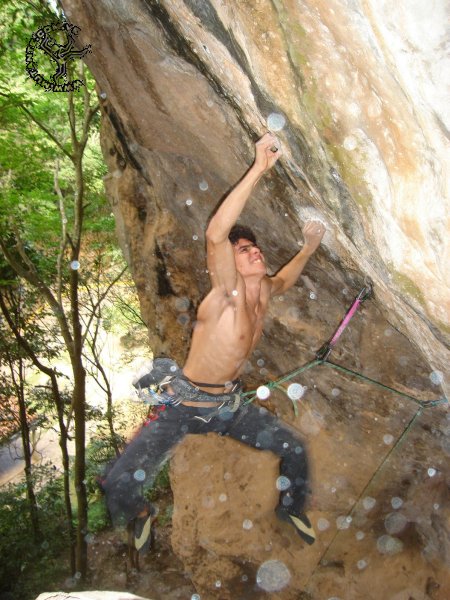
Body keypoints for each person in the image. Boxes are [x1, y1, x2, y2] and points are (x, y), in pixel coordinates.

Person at [102, 133, 325, 552]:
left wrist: (309, 246)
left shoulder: (264, 292)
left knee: (294, 448)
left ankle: (291, 506)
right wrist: (258, 168)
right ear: (232, 263)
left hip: (227, 410)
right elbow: (215, 235)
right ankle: (141, 513)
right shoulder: (227, 292)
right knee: (116, 485)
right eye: (244, 250)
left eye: (256, 248)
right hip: (183, 406)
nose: (254, 252)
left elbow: (287, 278)